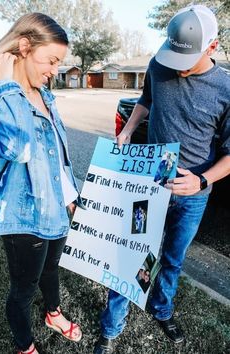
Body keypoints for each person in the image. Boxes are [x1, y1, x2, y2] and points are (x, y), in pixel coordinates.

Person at [93, 4, 230, 353]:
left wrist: (201, 181)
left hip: (193, 195)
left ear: (212, 47)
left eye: (187, 62)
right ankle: (112, 325)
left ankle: (161, 308)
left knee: (172, 258)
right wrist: (129, 130)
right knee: (133, 253)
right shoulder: (159, 65)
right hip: (148, 185)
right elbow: (145, 101)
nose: (177, 70)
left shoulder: (226, 89)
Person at [0, 13, 84, 354]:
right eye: (52, 60)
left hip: (57, 207)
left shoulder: (44, 94)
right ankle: (24, 344)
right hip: (25, 216)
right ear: (24, 47)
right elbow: (19, 148)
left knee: (51, 270)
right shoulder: (0, 97)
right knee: (23, 288)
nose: (55, 70)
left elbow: (56, 152)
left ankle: (53, 313)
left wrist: (70, 194)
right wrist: (5, 85)